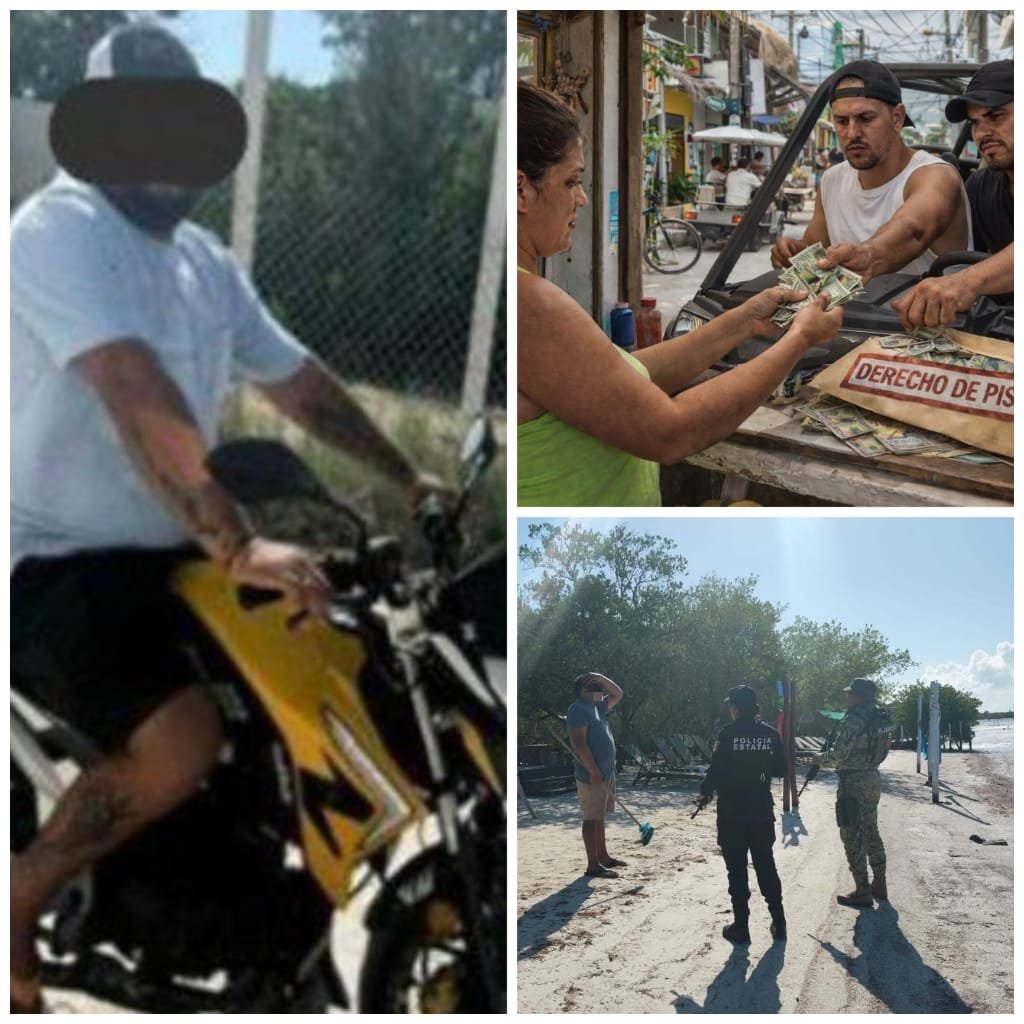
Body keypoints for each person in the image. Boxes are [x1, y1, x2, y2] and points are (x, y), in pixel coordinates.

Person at [10, 22, 444, 1012]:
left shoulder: (204, 261)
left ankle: (227, 919)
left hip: (174, 563)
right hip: (55, 567)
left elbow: (298, 386)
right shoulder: (58, 230)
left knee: (316, 683)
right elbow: (135, 391)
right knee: (185, 739)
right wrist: (240, 541)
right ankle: (19, 895)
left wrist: (410, 477)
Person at [517, 80, 843, 507]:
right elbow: (671, 433)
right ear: (522, 189)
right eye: (571, 181)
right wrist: (798, 340)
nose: (580, 198)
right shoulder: (528, 303)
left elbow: (625, 375)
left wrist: (744, 321)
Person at [771, 60, 970, 281]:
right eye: (841, 121)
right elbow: (813, 252)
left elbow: (913, 230)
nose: (853, 132)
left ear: (897, 118)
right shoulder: (832, 180)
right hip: (855, 314)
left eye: (866, 118)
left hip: (932, 314)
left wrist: (868, 254)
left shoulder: (935, 176)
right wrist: (792, 253)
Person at [892, 60, 1013, 329]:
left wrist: (965, 283)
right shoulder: (980, 186)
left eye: (996, 116)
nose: (982, 133)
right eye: (975, 122)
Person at [695, 685, 787, 943]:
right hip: (760, 809)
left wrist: (705, 793)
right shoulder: (770, 734)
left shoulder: (727, 734)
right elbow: (782, 770)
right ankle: (779, 923)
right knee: (765, 864)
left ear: (735, 707)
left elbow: (716, 770)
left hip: (732, 811)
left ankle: (741, 927)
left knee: (736, 870)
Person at [813, 678, 888, 908]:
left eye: (850, 694)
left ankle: (862, 890)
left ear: (858, 696)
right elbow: (885, 748)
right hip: (873, 778)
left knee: (851, 834)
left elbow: (839, 754)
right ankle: (880, 882)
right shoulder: (880, 718)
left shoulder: (854, 719)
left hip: (852, 782)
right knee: (871, 830)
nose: (847, 698)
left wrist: (819, 759)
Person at [567, 672, 625, 878]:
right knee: (591, 818)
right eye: (595, 688)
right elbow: (579, 744)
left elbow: (618, 694)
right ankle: (593, 865)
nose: (600, 692)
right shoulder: (577, 709)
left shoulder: (598, 708)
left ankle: (604, 856)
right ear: (583, 691)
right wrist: (593, 772)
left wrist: (600, 677)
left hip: (606, 773)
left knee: (600, 817)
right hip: (592, 775)